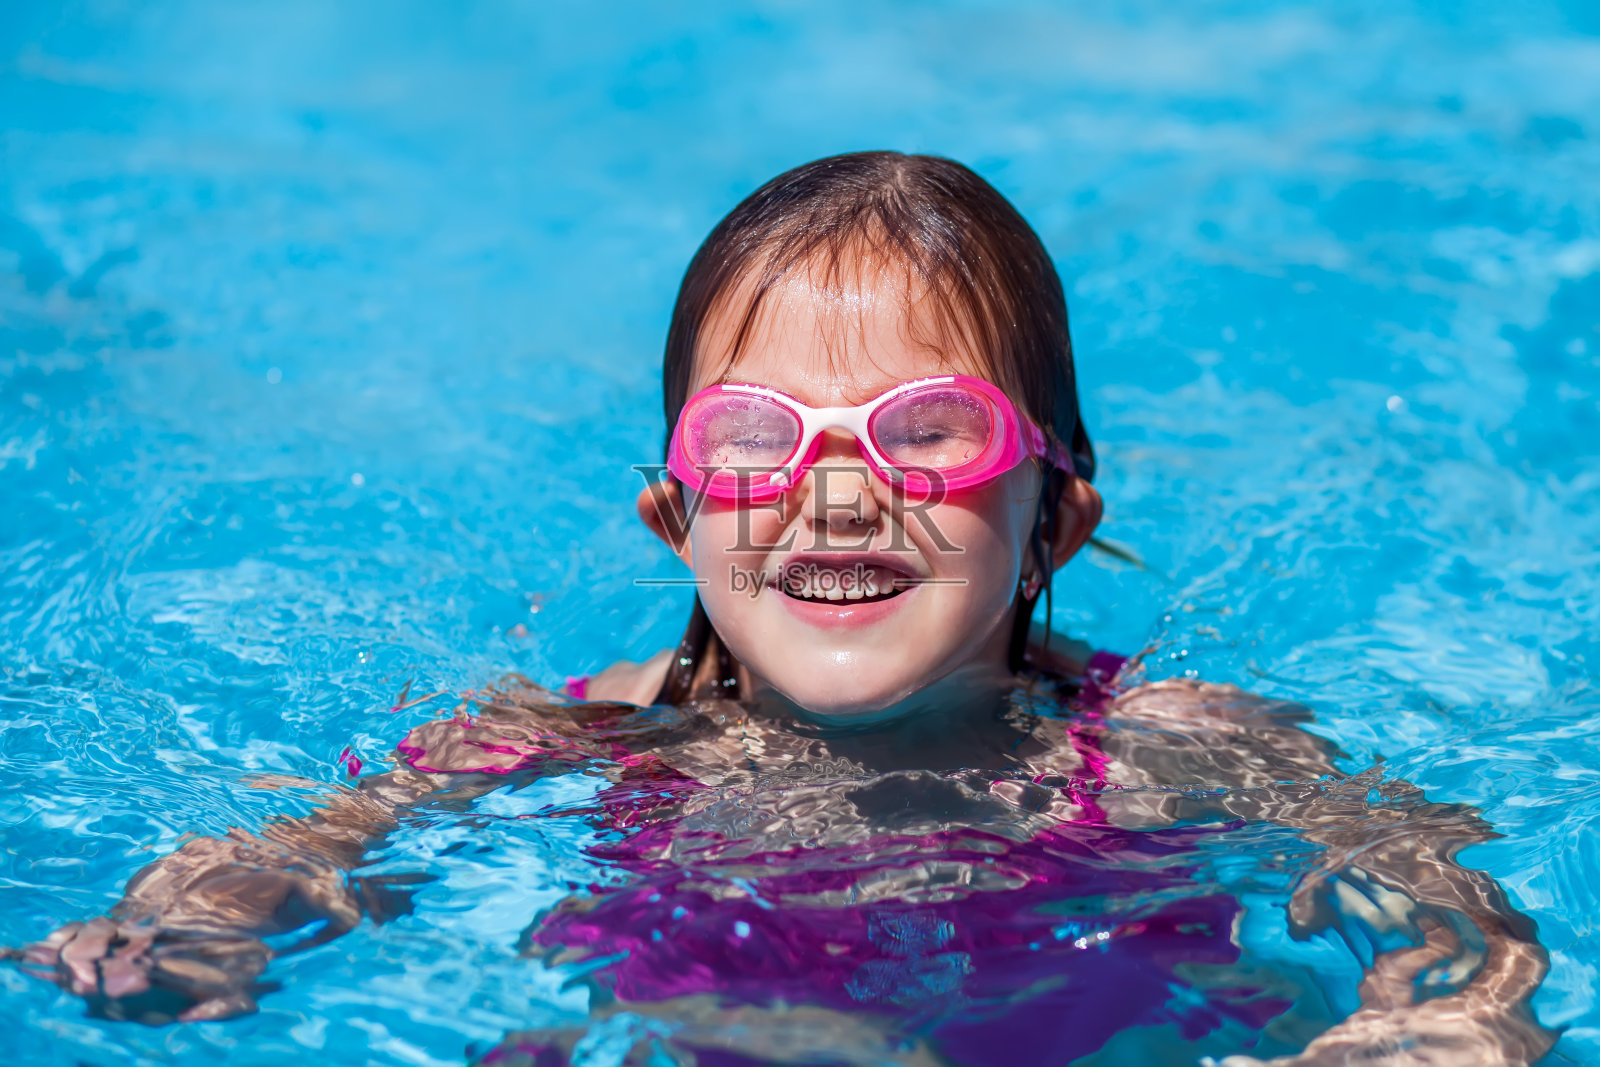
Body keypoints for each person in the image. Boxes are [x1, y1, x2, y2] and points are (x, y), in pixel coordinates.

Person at [22, 153, 1554, 1065]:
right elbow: (300, 838)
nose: (836, 494)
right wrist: (188, 930)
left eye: (926, 431)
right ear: (676, 519)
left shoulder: (1164, 743)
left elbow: (1423, 872)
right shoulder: (590, 734)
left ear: (1057, 519)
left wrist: (1446, 1007)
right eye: (757, 440)